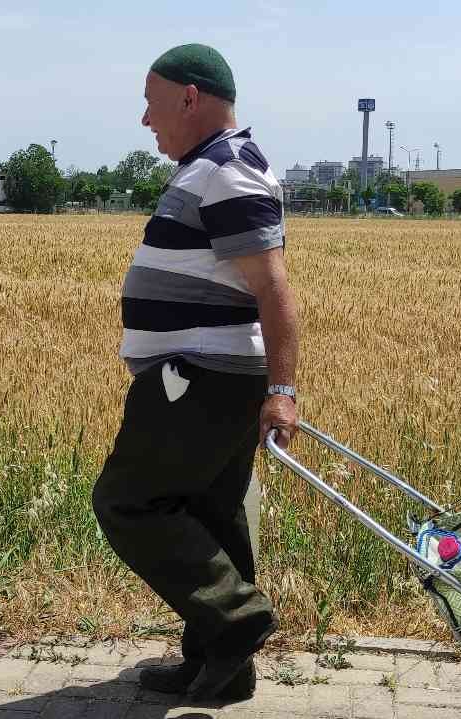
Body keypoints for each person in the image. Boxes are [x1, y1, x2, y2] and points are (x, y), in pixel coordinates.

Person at [91, 43, 300, 701]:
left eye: (153, 105)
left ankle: (237, 619)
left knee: (129, 500)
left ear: (189, 96)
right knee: (209, 513)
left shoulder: (227, 170)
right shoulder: (211, 167)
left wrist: (284, 390)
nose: (146, 121)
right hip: (209, 376)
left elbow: (275, 290)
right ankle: (221, 665)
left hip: (195, 379)